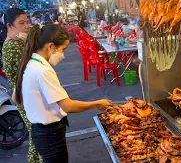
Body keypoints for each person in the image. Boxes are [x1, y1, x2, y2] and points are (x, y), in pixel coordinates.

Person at [13, 24, 112, 163]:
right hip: (49, 134)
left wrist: (36, 109)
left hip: (41, 132)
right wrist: (98, 103)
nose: (63, 55)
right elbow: (68, 106)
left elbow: (17, 100)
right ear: (50, 46)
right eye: (63, 49)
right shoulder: (43, 71)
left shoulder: (30, 64)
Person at [1, 8, 42, 163]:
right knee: (38, 137)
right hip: (26, 97)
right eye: (21, 23)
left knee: (35, 136)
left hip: (25, 96)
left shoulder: (18, 42)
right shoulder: (13, 46)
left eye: (27, 22)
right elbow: (28, 73)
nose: (26, 26)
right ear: (10, 27)